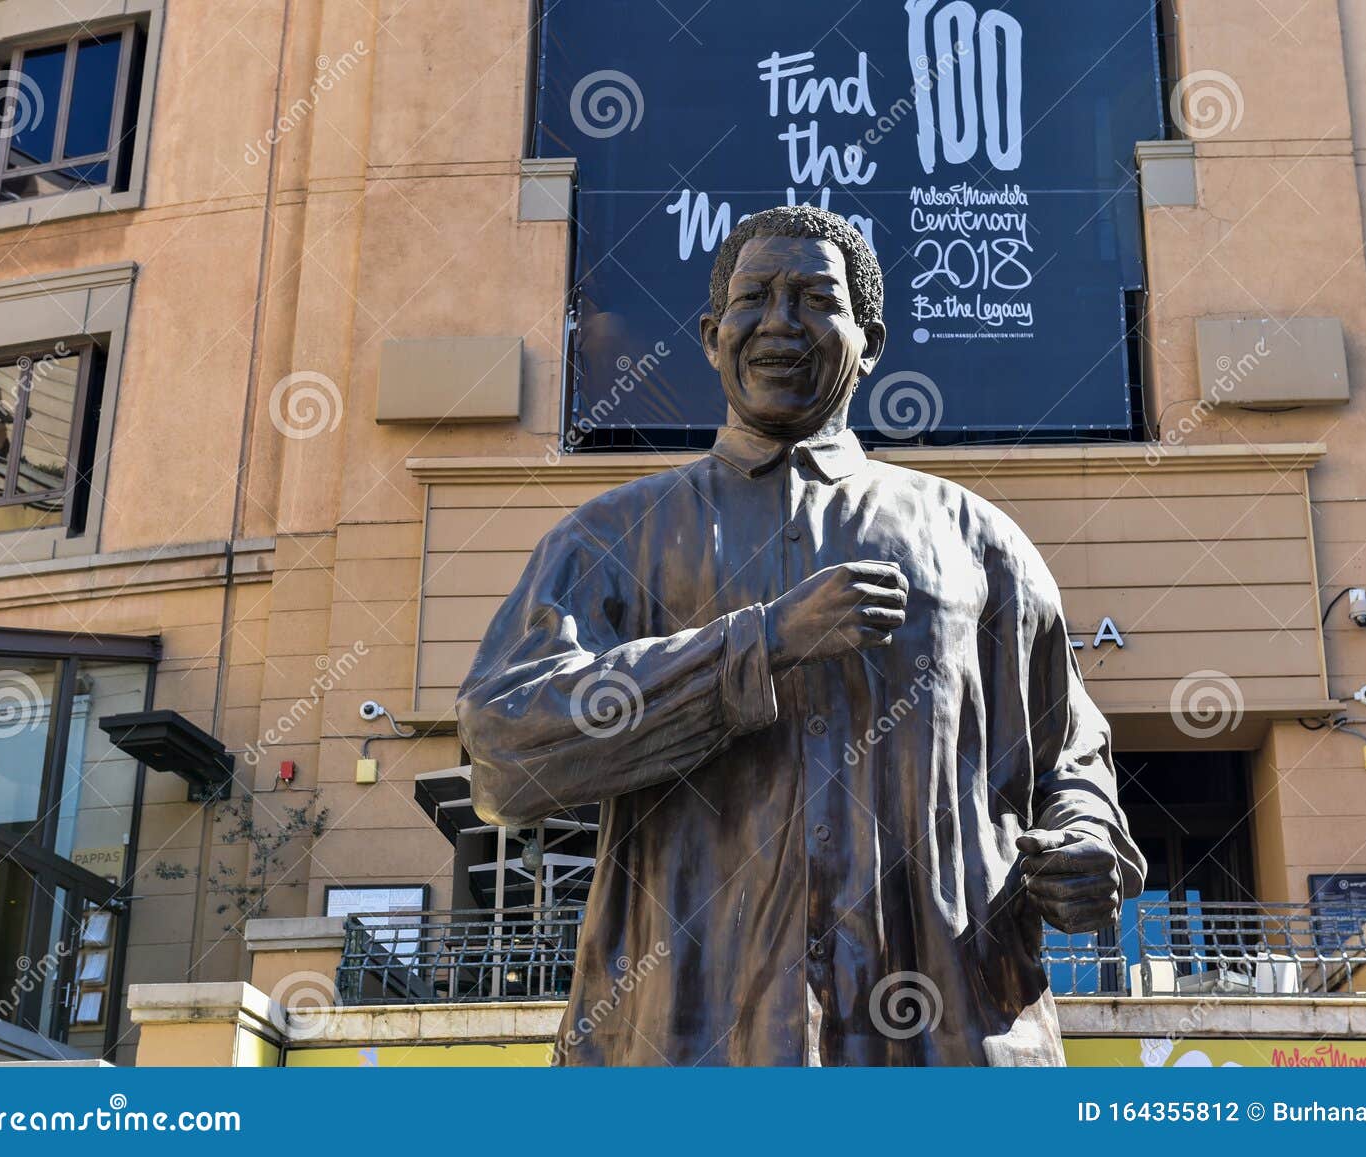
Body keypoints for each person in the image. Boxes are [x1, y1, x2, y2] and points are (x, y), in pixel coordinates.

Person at [458, 205, 1143, 1065]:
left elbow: (1068, 756)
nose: (780, 320)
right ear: (713, 335)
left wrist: (1087, 842)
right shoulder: (613, 539)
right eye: (756, 297)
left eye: (816, 297)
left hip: (948, 1044)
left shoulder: (979, 542)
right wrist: (760, 643)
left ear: (871, 338)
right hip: (684, 1046)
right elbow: (502, 747)